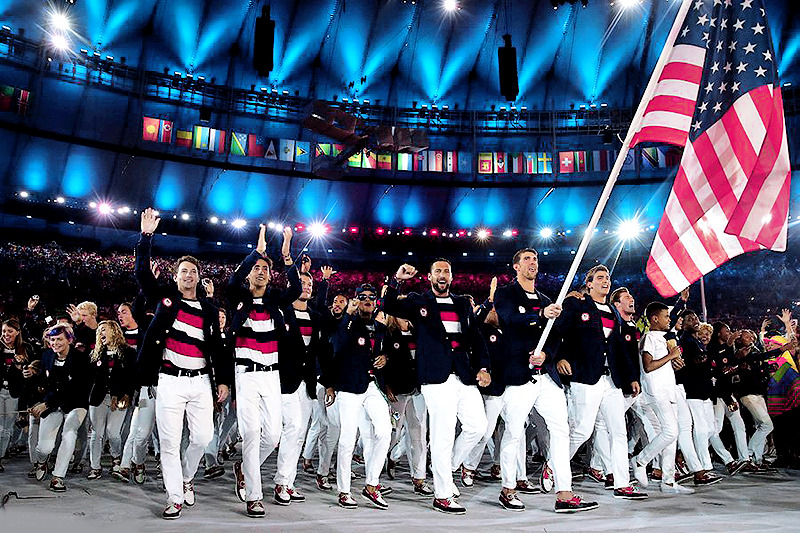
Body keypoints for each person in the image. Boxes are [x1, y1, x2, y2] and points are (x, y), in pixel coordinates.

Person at [135, 208, 232, 520]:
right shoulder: (166, 300)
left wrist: (223, 381)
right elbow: (142, 276)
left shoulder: (209, 308)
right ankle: (174, 496)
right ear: (176, 277)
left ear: (198, 277)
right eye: (183, 271)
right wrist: (146, 237)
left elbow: (217, 348)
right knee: (169, 442)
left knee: (202, 439)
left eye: (193, 271)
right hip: (170, 381)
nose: (188, 275)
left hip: (201, 381)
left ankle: (188, 477)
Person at [384, 260, 491, 514]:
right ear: (430, 277)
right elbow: (388, 304)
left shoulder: (463, 303)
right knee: (442, 435)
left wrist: (483, 367)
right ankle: (442, 495)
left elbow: (476, 336)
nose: (442, 275)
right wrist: (397, 280)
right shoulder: (418, 301)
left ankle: (448, 467)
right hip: (435, 378)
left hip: (463, 375)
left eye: (447, 271)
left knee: (479, 427)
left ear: (452, 277)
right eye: (438, 271)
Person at [494, 249, 597, 513]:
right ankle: (508, 488)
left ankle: (564, 492)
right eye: (527, 259)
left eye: (535, 259)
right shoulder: (506, 294)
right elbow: (510, 320)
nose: (533, 263)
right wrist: (539, 316)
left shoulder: (547, 299)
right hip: (519, 376)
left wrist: (546, 355)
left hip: (546, 377)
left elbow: (555, 338)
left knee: (561, 431)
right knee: (514, 432)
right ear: (516, 266)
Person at [551, 265, 646, 500]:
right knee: (582, 430)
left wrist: (632, 376)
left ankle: (622, 483)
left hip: (611, 380)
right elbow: (557, 332)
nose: (605, 281)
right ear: (589, 283)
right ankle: (553, 466)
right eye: (600, 278)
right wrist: (560, 357)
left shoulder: (613, 312)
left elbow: (619, 348)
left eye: (608, 278)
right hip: (585, 376)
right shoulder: (577, 304)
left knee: (618, 431)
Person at [227, 223, 297, 518]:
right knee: (252, 432)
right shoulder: (237, 297)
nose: (260, 272)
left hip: (272, 374)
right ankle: (255, 496)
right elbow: (232, 281)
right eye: (256, 268)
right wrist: (256, 251)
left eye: (264, 269)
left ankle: (244, 466)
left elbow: (294, 289)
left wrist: (285, 254)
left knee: (273, 434)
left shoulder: (275, 300)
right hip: (246, 374)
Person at [325, 284, 392, 510]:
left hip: (372, 385)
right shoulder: (347, 324)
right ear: (356, 301)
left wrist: (385, 358)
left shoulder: (381, 328)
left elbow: (386, 351)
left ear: (376, 302)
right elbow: (334, 352)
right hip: (348, 386)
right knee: (347, 438)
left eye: (371, 298)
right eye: (362, 298)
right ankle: (343, 490)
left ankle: (372, 484)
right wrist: (330, 386)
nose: (367, 301)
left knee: (384, 432)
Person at [273, 256, 331, 506]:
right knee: (289, 430)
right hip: (283, 380)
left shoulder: (317, 318)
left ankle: (287, 481)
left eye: (309, 284)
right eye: (302, 283)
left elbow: (322, 352)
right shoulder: (280, 313)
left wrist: (327, 382)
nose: (306, 287)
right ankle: (279, 480)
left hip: (306, 384)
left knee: (297, 434)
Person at [632, 302, 694, 494]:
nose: (670, 320)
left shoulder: (664, 339)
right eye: (666, 316)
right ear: (655, 318)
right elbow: (648, 366)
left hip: (669, 390)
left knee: (672, 437)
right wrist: (671, 356)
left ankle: (668, 482)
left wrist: (674, 362)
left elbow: (663, 364)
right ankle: (640, 460)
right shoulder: (649, 337)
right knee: (671, 432)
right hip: (656, 391)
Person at [29, 324, 91, 492]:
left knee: (69, 434)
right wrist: (37, 401)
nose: (55, 343)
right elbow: (43, 382)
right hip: (51, 404)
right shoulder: (47, 355)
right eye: (52, 340)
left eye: (59, 340)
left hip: (75, 404)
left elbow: (74, 389)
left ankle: (58, 477)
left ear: (69, 340)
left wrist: (47, 403)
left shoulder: (81, 359)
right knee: (44, 448)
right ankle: (42, 461)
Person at [382, 313, 432, 496]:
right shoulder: (388, 335)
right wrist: (386, 385)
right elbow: (383, 361)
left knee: (418, 433)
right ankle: (383, 459)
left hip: (417, 391)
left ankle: (419, 478)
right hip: (397, 392)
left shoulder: (418, 333)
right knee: (393, 431)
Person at [677, 311, 724, 485]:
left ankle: (685, 457)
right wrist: (705, 356)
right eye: (690, 319)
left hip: (704, 391)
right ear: (682, 323)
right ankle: (703, 468)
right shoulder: (686, 341)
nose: (695, 321)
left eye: (696, 318)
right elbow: (695, 361)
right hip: (692, 391)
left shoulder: (697, 341)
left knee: (711, 430)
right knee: (701, 430)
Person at [86, 320, 136, 479]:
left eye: (104, 330)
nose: (101, 334)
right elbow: (92, 379)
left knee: (113, 432)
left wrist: (127, 394)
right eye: (99, 331)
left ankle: (116, 458)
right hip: (98, 398)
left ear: (114, 331)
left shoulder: (127, 352)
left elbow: (131, 377)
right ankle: (95, 467)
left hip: (120, 398)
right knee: (96, 433)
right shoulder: (96, 354)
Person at [0, 318, 37, 472]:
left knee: (6, 428)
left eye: (10, 331)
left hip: (14, 393)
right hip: (0, 390)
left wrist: (20, 367)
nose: (6, 334)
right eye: (3, 331)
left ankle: (0, 457)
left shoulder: (25, 348)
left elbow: (30, 374)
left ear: (17, 332)